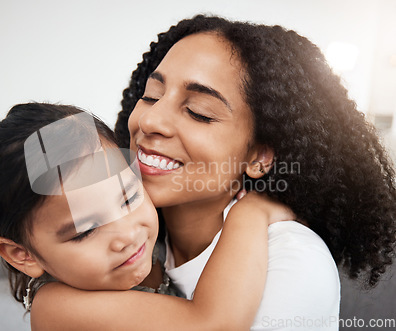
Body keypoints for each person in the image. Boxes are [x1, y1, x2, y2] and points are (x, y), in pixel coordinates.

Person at [114, 14, 396, 329]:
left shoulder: (293, 261)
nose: (150, 121)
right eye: (151, 96)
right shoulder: (121, 231)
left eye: (198, 113)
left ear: (260, 156)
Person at [0, 102, 294, 330]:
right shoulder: (57, 306)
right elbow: (214, 324)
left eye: (129, 197)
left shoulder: (158, 235)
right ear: (22, 254)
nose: (126, 235)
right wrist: (248, 212)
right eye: (85, 231)